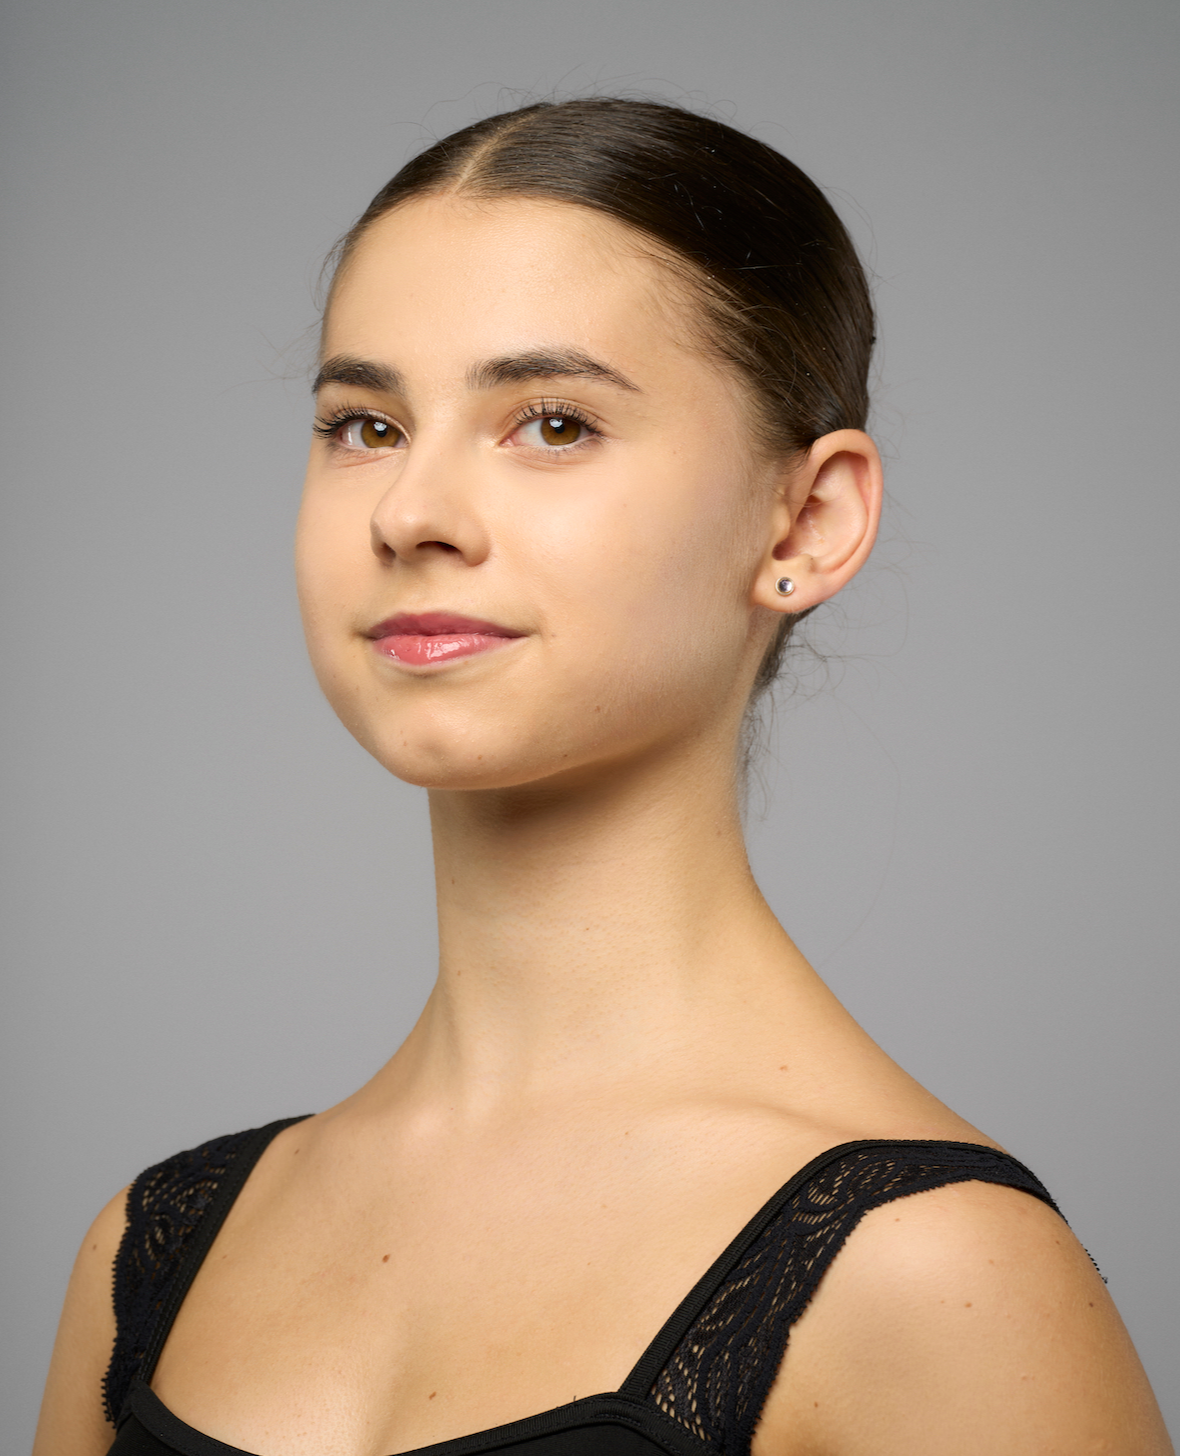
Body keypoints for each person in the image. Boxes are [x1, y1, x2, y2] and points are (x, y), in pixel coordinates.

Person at [33, 97, 1169, 1456]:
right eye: (366, 426)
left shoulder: (939, 1278)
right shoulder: (149, 1252)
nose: (410, 513)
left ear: (806, 523)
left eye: (555, 423)